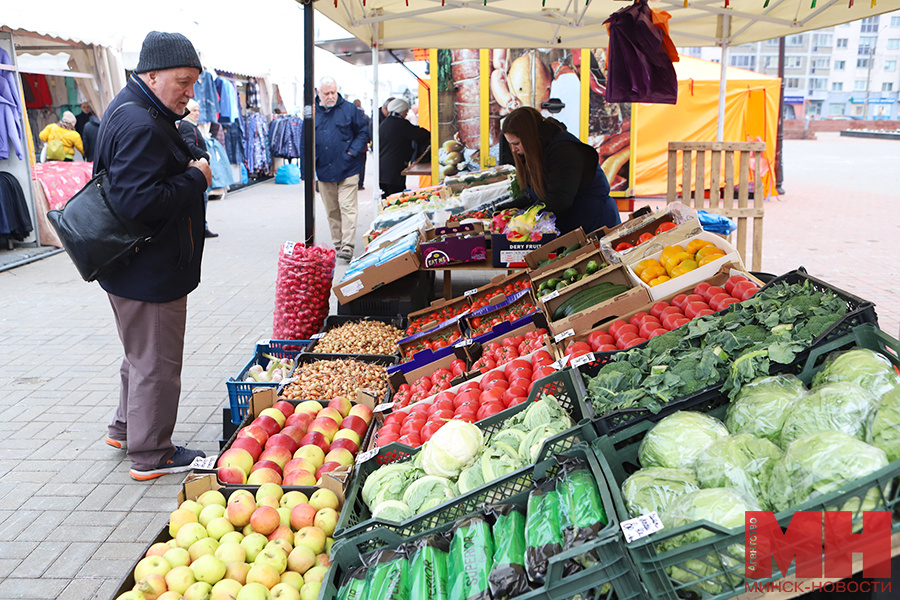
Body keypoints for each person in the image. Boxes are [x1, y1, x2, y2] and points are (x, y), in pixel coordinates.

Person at [96, 31, 212, 481]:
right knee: (158, 361)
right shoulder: (143, 122)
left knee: (140, 354)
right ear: (152, 74)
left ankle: (124, 428)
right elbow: (138, 204)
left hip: (127, 267)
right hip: (150, 268)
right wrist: (196, 178)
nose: (189, 91)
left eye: (194, 82)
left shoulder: (131, 106)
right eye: (183, 81)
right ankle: (151, 453)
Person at [499, 106, 620, 235]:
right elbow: (535, 195)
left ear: (529, 138)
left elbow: (559, 198)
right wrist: (506, 209)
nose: (513, 149)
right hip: (573, 224)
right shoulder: (540, 150)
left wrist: (524, 218)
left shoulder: (564, 151)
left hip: (593, 223)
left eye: (516, 143)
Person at [313, 77, 368, 262]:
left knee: (347, 207)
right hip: (324, 168)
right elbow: (305, 141)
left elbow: (363, 132)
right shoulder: (312, 112)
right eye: (326, 93)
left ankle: (347, 245)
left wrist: (352, 152)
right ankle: (338, 243)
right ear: (318, 92)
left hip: (348, 168)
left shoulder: (349, 109)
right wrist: (307, 172)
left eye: (333, 92)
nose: (331, 96)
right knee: (332, 210)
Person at [178, 99, 218, 238]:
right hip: (195, 169)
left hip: (195, 169)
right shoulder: (187, 126)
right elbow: (189, 146)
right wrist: (205, 156)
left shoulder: (188, 125)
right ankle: (200, 228)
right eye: (193, 110)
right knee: (201, 199)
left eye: (197, 110)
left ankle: (201, 227)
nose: (197, 114)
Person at [379, 98, 431, 198]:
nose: (406, 114)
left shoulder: (384, 123)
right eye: (406, 111)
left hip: (382, 171)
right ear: (401, 111)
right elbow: (421, 134)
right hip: (394, 171)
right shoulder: (401, 124)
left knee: (387, 198)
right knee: (395, 198)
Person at [353, 99, 372, 191]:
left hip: (352, 146)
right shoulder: (366, 117)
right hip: (363, 146)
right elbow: (368, 130)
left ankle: (354, 183)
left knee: (353, 165)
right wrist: (368, 141)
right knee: (362, 165)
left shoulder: (350, 116)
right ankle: (361, 184)